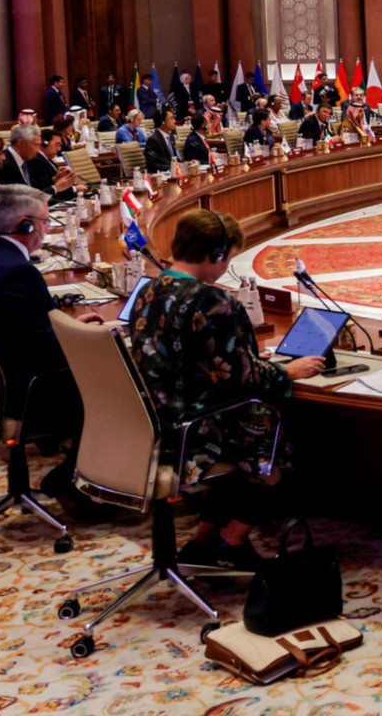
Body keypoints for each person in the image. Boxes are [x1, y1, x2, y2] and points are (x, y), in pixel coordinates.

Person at [128, 209, 324, 569]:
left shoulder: (148, 289)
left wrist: (243, 358)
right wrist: (287, 371)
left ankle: (202, 542)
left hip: (154, 424)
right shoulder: (211, 300)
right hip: (195, 432)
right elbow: (243, 376)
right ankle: (231, 539)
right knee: (284, 435)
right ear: (214, 255)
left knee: (253, 426)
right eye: (228, 257)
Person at [0, 185, 114, 520]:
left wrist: (67, 327)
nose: (46, 228)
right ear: (25, 225)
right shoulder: (16, 271)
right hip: (28, 391)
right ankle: (68, 482)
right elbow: (44, 353)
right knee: (116, 386)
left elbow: (20, 330)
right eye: (45, 221)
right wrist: (87, 339)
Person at [0, 124, 77, 202]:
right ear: (21, 143)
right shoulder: (6, 165)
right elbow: (23, 201)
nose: (38, 150)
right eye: (36, 145)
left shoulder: (22, 160)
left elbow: (34, 189)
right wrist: (55, 188)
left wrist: (54, 180)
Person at [143, 109, 179, 174]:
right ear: (162, 121)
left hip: (173, 173)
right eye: (171, 118)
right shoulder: (153, 140)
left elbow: (175, 158)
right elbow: (152, 165)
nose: (174, 121)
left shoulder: (171, 137)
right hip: (161, 176)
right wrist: (172, 167)